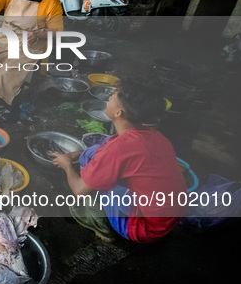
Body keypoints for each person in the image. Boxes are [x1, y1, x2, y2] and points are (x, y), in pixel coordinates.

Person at [51, 79, 188, 243]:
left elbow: (79, 189)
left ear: (119, 113)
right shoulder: (154, 135)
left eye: (112, 97)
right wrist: (73, 156)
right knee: (95, 153)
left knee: (95, 184)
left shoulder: (119, 149)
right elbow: (106, 151)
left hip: (145, 227)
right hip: (172, 216)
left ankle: (100, 223)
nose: (108, 99)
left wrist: (67, 166)